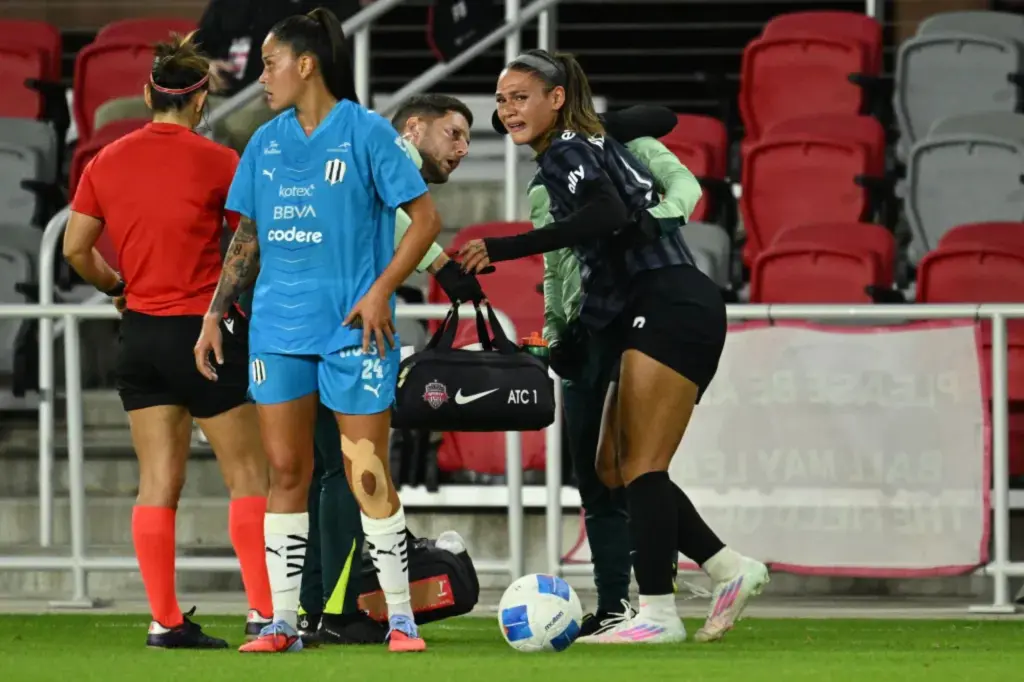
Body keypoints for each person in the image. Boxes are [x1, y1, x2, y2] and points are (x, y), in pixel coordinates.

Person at [462, 48, 770, 644]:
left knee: (642, 468)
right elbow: (605, 243)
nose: (508, 109)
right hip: (649, 306)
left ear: (556, 99)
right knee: (611, 467)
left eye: (520, 96)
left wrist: (506, 248)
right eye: (501, 100)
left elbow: (604, 214)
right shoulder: (585, 145)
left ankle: (656, 614)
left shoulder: (568, 150)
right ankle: (729, 568)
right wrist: (568, 339)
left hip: (670, 303)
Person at [193, 8, 442, 654]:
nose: (260, 76)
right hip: (277, 328)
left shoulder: (365, 133)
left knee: (365, 473)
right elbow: (246, 237)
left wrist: (381, 290)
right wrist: (216, 312)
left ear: (307, 65)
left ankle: (400, 620)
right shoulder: (265, 141)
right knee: (285, 471)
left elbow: (425, 218)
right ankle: (281, 621)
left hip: (352, 331)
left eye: (270, 64)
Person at [62, 33, 273, 649]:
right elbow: (246, 244)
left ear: (145, 92)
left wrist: (116, 287)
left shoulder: (106, 160)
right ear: (201, 98)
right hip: (205, 332)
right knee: (247, 477)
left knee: (157, 483)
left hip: (141, 334)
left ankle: (165, 621)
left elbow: (77, 248)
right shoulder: (219, 161)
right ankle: (263, 615)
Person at [508, 105, 705, 638]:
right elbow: (554, 268)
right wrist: (554, 335)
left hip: (631, 317)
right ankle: (616, 604)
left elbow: (685, 186)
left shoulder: (629, 149)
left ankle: (655, 601)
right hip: (580, 332)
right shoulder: (543, 185)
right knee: (596, 480)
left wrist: (655, 221)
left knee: (636, 465)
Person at [297, 93, 482, 645]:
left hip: (305, 319)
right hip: (343, 327)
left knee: (320, 473)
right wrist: (443, 265)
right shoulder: (384, 153)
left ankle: (311, 608)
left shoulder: (341, 151)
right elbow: (403, 217)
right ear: (414, 128)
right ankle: (340, 610)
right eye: (454, 134)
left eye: (469, 140)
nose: (464, 149)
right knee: (344, 473)